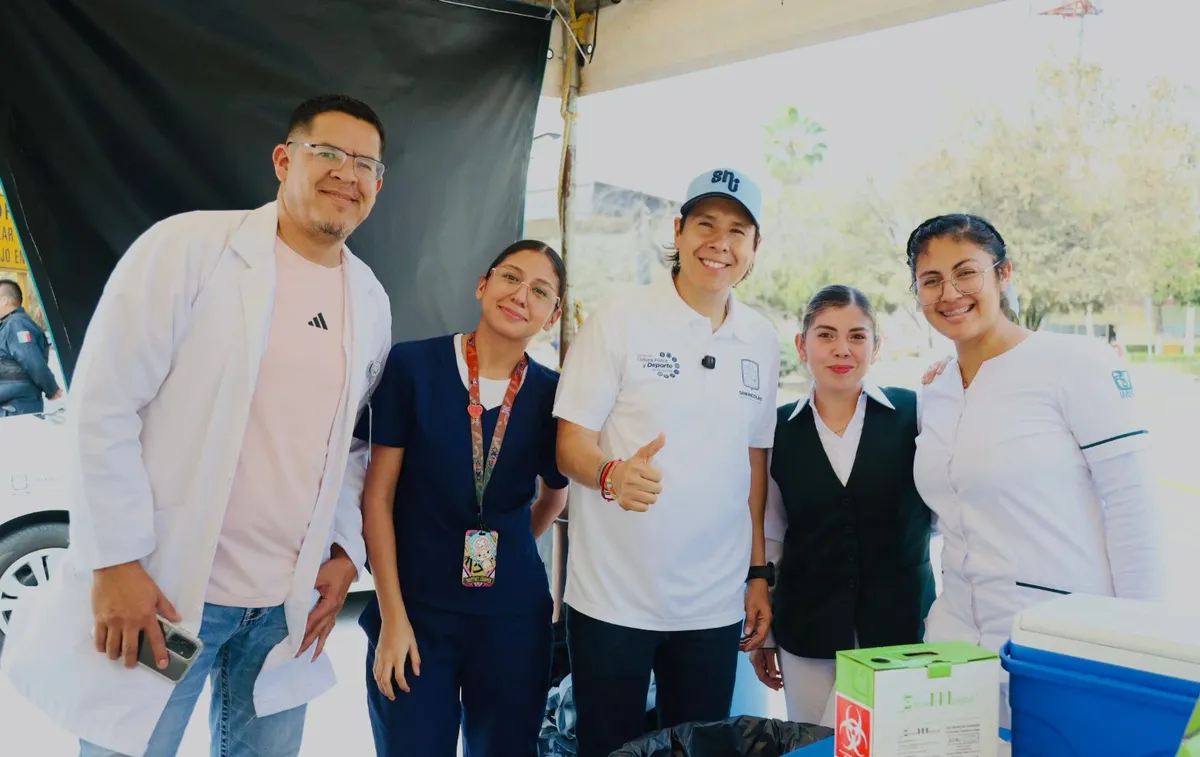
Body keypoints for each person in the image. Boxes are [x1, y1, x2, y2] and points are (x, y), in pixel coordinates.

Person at [2, 94, 394, 757]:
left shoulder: (370, 299)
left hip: (281, 610)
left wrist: (344, 551)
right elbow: (104, 403)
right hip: (172, 594)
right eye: (326, 153)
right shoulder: (189, 248)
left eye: (364, 163)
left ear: (377, 185)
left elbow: (352, 444)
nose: (345, 173)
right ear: (283, 159)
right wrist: (115, 559)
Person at [553, 168, 780, 757]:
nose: (719, 242)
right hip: (612, 599)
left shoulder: (760, 338)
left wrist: (758, 574)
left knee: (699, 750)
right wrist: (611, 475)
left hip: (713, 604)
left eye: (738, 231)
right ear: (678, 232)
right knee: (610, 749)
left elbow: (753, 468)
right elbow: (570, 443)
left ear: (754, 249)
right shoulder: (620, 318)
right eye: (705, 224)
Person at [908, 213, 1163, 726]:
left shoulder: (1074, 363)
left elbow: (1133, 507)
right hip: (956, 647)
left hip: (1065, 643)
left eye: (966, 272)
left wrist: (1147, 652)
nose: (949, 292)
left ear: (1004, 274)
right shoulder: (934, 391)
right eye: (930, 280)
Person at [358, 240, 570, 756]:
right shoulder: (414, 366)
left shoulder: (552, 394)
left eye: (540, 291)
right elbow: (376, 498)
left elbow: (554, 500)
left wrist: (508, 542)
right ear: (483, 283)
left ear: (551, 316)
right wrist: (392, 617)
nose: (521, 295)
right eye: (511, 278)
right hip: (415, 611)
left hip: (512, 618)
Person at [750, 285, 935, 727]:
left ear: (876, 345)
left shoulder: (918, 414)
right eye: (826, 335)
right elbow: (772, 532)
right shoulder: (776, 430)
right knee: (816, 745)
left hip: (902, 627)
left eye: (857, 336)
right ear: (802, 345)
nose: (842, 350)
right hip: (808, 628)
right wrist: (768, 633)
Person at [0, 279, 62, 416]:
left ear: (4, 301)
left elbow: (31, 359)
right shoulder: (9, 326)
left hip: (17, 409)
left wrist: (51, 388)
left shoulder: (16, 324)